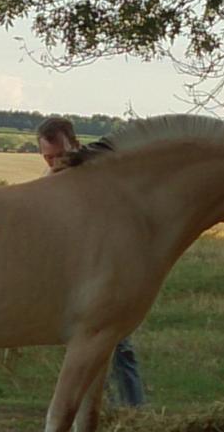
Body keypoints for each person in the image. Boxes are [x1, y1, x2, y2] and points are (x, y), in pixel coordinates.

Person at [35, 116, 146, 407]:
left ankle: (132, 411)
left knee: (119, 351)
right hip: (74, 282)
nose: (56, 162)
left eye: (61, 154)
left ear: (75, 144)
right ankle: (113, 409)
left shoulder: (100, 176)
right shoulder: (48, 185)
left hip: (105, 278)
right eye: (48, 157)